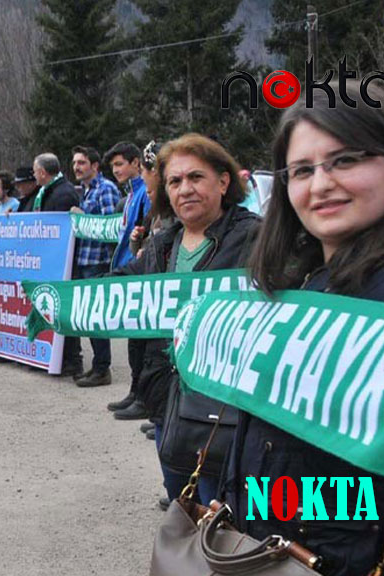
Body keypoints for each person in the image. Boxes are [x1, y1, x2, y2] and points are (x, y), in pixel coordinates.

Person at [225, 80, 384, 576]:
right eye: (302, 170)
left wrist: (295, 507)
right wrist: (247, 502)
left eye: (345, 160)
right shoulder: (304, 276)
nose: (321, 184)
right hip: (271, 548)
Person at [115, 133, 258, 509]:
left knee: (221, 511)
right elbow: (116, 290)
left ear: (223, 182)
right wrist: (61, 301)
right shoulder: (161, 245)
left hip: (224, 406)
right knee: (181, 505)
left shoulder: (257, 238)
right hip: (167, 401)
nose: (185, 189)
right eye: (175, 181)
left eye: (196, 177)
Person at [109, 140, 170, 425]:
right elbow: (144, 244)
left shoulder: (162, 205)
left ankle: (153, 404)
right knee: (138, 344)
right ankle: (139, 394)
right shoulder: (145, 200)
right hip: (143, 275)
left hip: (157, 283)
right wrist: (138, 241)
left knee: (153, 349)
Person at [68, 146, 121, 387]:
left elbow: (111, 227)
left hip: (97, 261)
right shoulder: (87, 190)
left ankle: (102, 368)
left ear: (95, 166)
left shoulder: (105, 189)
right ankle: (97, 365)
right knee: (87, 316)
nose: (76, 167)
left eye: (81, 163)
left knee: (96, 315)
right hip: (84, 260)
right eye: (75, 163)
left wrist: (82, 216)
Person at [105, 141, 149, 270]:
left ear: (135, 162)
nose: (115, 170)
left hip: (134, 268)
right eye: (112, 166)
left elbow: (150, 234)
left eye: (119, 164)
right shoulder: (131, 193)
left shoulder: (146, 192)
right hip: (124, 266)